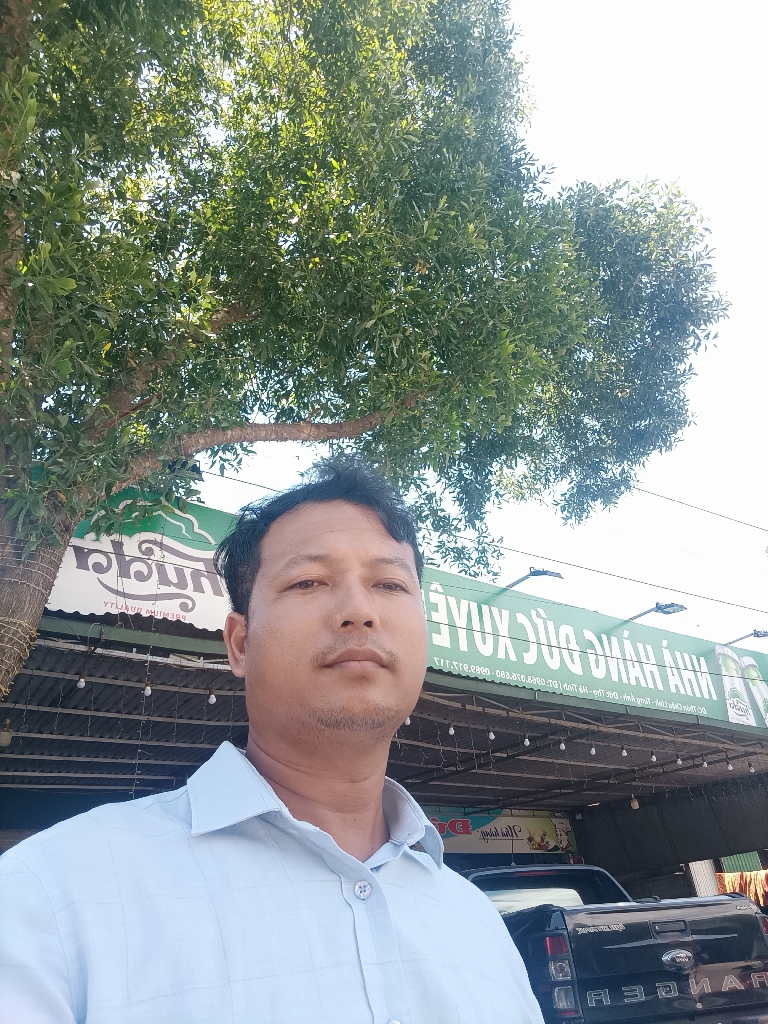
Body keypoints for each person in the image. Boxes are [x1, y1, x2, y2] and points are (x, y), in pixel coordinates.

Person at [0, 458, 544, 1024]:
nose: (359, 611)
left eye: (390, 584)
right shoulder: (55, 895)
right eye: (308, 582)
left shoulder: (476, 923)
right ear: (240, 643)